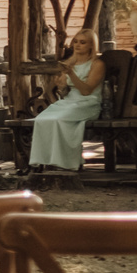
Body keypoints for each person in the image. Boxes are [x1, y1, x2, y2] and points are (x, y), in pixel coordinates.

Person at [28, 28, 108, 174]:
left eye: (82, 42)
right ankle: (46, 160)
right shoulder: (70, 63)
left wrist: (71, 74)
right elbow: (64, 92)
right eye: (75, 42)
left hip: (88, 103)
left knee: (58, 119)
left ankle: (65, 162)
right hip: (69, 102)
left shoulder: (97, 64)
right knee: (42, 119)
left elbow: (86, 91)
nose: (77, 45)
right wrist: (61, 85)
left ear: (91, 45)